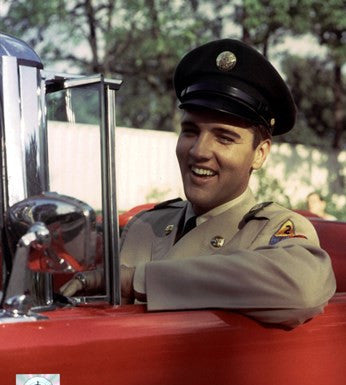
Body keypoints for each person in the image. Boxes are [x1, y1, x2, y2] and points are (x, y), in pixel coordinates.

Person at [61, 39, 336, 328]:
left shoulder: (270, 229)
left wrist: (137, 280)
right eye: (190, 131)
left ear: (260, 154)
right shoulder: (144, 226)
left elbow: (302, 287)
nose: (198, 151)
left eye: (224, 137)